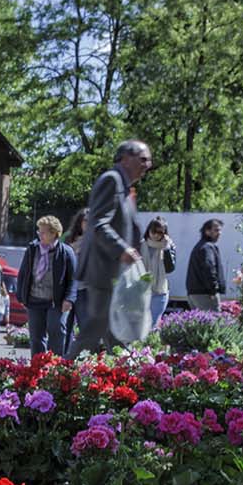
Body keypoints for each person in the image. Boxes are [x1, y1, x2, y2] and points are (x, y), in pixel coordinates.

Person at [74, 141, 151, 355]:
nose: (148, 165)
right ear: (125, 158)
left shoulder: (125, 187)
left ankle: (126, 374)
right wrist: (122, 249)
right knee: (95, 327)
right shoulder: (112, 180)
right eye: (143, 159)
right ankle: (58, 375)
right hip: (103, 271)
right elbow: (98, 223)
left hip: (114, 273)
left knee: (113, 330)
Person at [14, 214, 75, 358]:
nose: (39, 235)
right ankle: (37, 368)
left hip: (56, 302)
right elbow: (23, 274)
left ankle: (55, 367)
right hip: (34, 300)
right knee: (36, 337)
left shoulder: (66, 252)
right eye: (38, 232)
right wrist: (22, 296)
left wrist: (69, 299)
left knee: (57, 332)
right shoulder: (32, 249)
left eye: (43, 232)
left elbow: (73, 279)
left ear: (54, 233)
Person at [61, 209, 88, 355]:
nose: (88, 224)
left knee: (85, 326)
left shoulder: (94, 241)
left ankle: (83, 359)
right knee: (65, 326)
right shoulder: (68, 238)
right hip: (68, 288)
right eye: (85, 221)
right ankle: (64, 358)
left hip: (84, 289)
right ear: (79, 222)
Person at [141, 218, 176, 327]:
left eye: (160, 232)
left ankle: (149, 344)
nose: (156, 235)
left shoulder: (169, 246)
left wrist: (166, 249)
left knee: (153, 325)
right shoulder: (140, 245)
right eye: (153, 231)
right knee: (140, 325)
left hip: (159, 292)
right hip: (141, 292)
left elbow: (170, 268)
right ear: (148, 231)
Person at [186, 218, 226, 311]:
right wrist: (213, 290)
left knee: (200, 324)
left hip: (194, 292)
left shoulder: (200, 246)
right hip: (205, 293)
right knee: (214, 323)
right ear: (207, 231)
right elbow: (209, 268)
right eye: (216, 230)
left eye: (220, 230)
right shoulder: (207, 248)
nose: (219, 233)